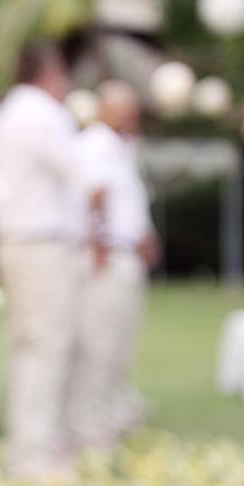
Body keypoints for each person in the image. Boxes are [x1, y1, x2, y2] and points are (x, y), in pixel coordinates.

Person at [0, 43, 81, 481]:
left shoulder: (5, 113)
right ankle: (33, 454)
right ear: (49, 71)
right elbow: (78, 170)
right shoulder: (43, 113)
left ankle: (32, 443)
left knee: (26, 345)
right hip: (40, 243)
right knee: (45, 346)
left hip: (12, 240)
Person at [68, 80, 159, 450]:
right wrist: (100, 242)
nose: (132, 118)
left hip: (127, 254)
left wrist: (146, 237)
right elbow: (93, 197)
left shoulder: (122, 147)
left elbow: (130, 201)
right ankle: (89, 421)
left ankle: (114, 406)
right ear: (105, 109)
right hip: (109, 257)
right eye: (125, 111)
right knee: (100, 341)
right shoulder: (96, 144)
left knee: (121, 338)